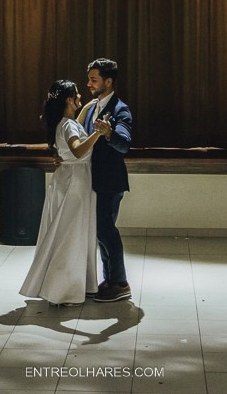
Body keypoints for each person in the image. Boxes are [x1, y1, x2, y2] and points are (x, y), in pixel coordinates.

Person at [20, 80, 110, 306]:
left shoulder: (63, 122)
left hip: (68, 177)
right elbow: (78, 151)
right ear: (69, 100)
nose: (80, 97)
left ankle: (65, 284)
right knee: (71, 233)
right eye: (77, 95)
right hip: (76, 181)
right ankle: (65, 289)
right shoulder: (68, 125)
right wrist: (98, 133)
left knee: (66, 231)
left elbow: (73, 131)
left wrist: (88, 108)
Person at [80, 58, 134, 303]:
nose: (89, 84)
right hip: (93, 179)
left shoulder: (121, 109)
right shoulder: (92, 107)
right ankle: (110, 279)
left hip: (110, 181)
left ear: (108, 81)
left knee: (106, 230)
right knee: (101, 231)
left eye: (94, 79)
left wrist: (110, 133)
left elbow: (123, 144)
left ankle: (120, 283)